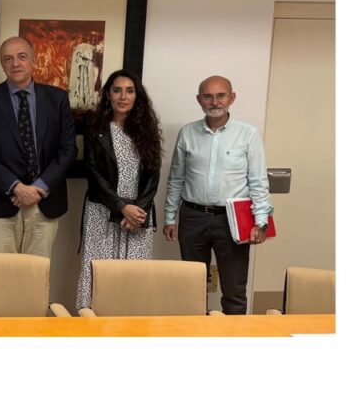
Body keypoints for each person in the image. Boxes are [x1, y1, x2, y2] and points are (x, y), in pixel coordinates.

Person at [163, 75, 272, 315]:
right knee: (191, 289)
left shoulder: (248, 134)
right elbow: (176, 179)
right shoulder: (187, 133)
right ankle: (196, 335)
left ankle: (233, 337)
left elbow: (258, 181)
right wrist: (170, 217)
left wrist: (261, 221)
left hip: (232, 221)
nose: (215, 102)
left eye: (221, 95)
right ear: (199, 100)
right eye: (208, 96)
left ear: (232, 98)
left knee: (234, 290)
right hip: (192, 218)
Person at [0, 36, 76, 257]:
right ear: (2, 64)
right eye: (8, 59)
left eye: (21, 57)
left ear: (34, 60)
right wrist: (16, 187)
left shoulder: (57, 99)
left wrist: (39, 188)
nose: (15, 63)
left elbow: (68, 150)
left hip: (44, 203)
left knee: (36, 275)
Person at [75, 70, 163, 310]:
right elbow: (93, 174)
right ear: (108, 95)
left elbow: (153, 176)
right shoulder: (95, 128)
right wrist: (122, 207)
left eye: (129, 91)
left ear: (137, 96)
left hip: (138, 217)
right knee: (97, 275)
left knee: (134, 278)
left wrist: (137, 211)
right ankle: (91, 327)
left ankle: (130, 328)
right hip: (102, 213)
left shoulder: (147, 130)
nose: (123, 97)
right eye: (117, 91)